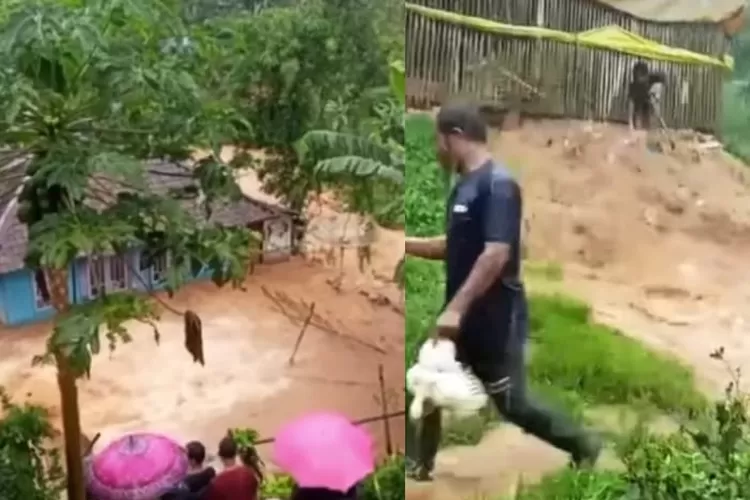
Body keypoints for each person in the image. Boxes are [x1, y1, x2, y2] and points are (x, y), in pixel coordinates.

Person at [404, 102, 602, 481]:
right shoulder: (466, 186)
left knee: (513, 404)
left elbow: (496, 254)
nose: (436, 149)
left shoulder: (498, 186)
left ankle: (583, 445)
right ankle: (418, 463)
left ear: (455, 137)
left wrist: (456, 310)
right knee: (424, 379)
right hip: (461, 314)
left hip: (494, 318)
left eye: (438, 140)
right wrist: (407, 245)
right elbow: (456, 245)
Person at [203, 436, 261, 500]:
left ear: (220, 456)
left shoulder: (216, 483)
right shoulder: (250, 475)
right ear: (236, 453)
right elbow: (255, 497)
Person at [628, 61, 666, 131]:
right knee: (638, 112)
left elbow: (663, 77)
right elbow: (631, 105)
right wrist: (630, 123)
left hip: (649, 100)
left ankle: (652, 128)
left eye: (641, 76)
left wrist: (655, 90)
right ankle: (638, 130)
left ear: (646, 75)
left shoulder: (654, 77)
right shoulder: (633, 86)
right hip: (640, 101)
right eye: (636, 76)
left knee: (651, 112)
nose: (638, 79)